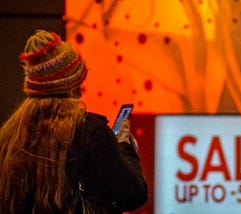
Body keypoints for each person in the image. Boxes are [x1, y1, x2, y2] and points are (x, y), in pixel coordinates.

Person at [0, 29, 148, 213]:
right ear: (71, 86)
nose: (81, 91)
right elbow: (133, 195)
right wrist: (124, 147)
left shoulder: (10, 135)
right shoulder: (90, 131)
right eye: (79, 82)